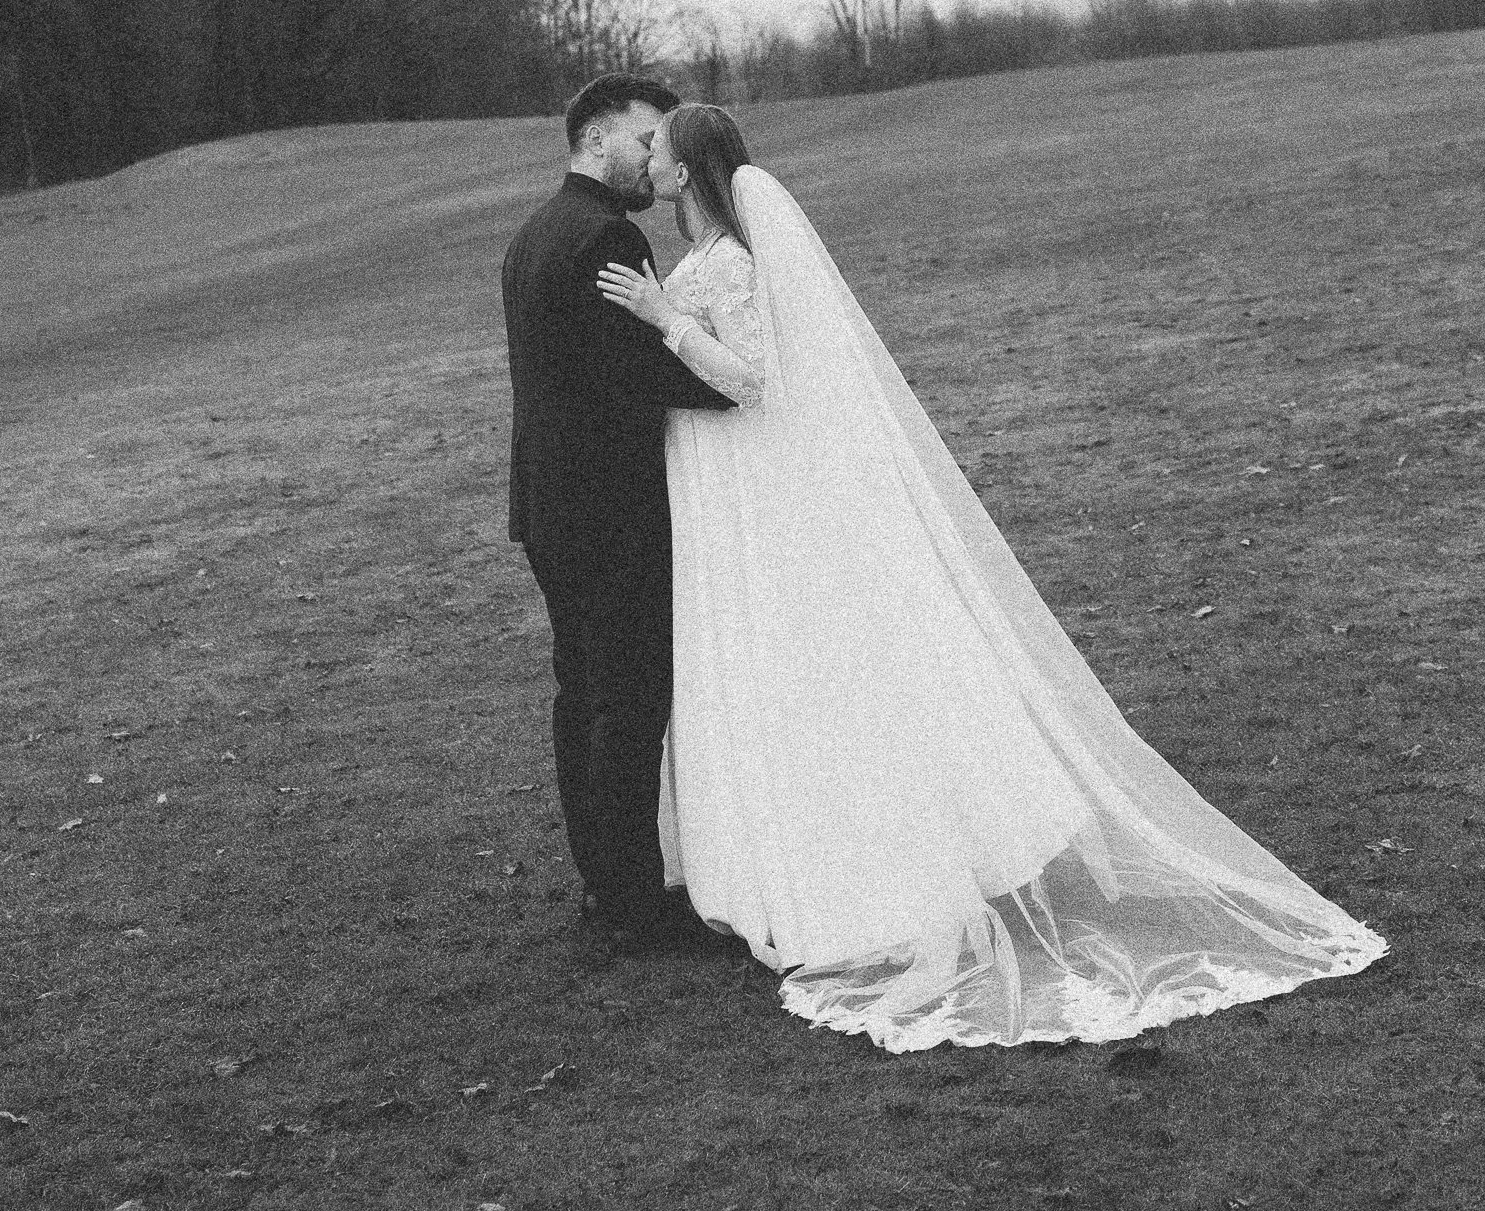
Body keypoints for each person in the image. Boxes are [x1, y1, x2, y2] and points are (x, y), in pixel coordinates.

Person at [595, 103, 1388, 1050]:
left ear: (689, 172)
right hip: (727, 488)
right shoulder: (709, 254)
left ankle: (845, 872)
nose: (651, 158)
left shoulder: (728, 259)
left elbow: (753, 381)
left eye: (662, 150)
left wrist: (664, 321)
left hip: (747, 477)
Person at [501, 74, 738, 949]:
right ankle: (638, 903)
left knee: (583, 694)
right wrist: (736, 381)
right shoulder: (607, 236)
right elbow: (640, 370)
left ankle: (607, 885)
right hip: (609, 509)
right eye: (646, 141)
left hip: (547, 503)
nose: (656, 159)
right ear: (599, 140)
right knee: (629, 701)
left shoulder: (534, 233)